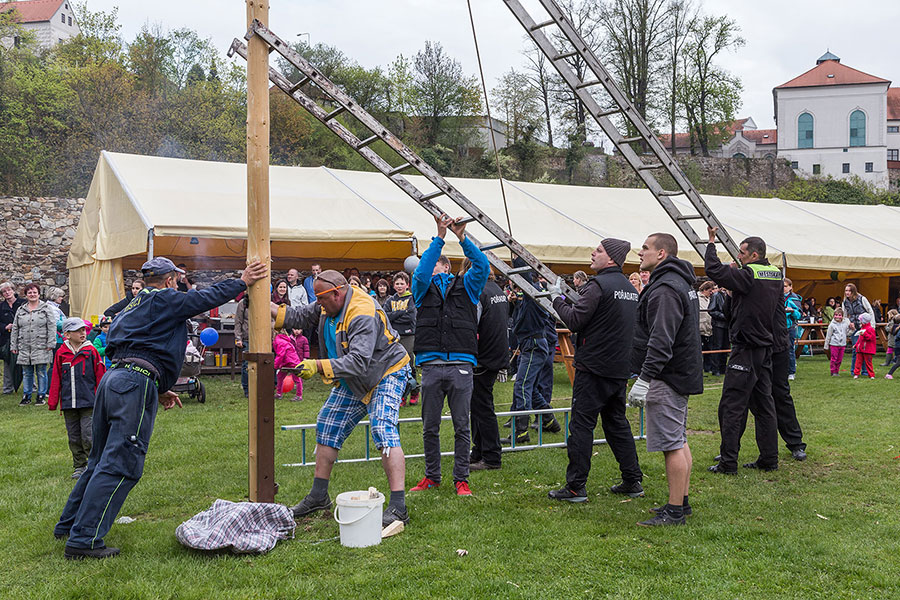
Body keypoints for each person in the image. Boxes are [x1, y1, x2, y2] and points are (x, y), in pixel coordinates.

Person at [54, 257, 266, 559]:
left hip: (114, 380)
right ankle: (84, 540)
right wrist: (241, 282)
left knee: (99, 459)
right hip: (132, 383)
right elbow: (201, 299)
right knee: (121, 463)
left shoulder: (132, 304)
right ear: (169, 280)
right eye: (177, 279)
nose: (179, 284)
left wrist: (155, 383)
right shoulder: (164, 298)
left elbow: (122, 344)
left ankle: (69, 525)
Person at [271, 270, 411, 527]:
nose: (319, 305)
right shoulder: (329, 303)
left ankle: (399, 507)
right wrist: (266, 305)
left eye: (321, 299)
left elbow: (358, 361)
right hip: (356, 377)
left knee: (382, 427)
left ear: (337, 292)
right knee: (327, 424)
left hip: (386, 371)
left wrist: (317, 365)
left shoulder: (361, 311)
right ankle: (318, 495)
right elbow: (301, 314)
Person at [546, 238, 643, 502]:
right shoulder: (629, 289)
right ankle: (632, 479)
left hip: (594, 367)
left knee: (581, 426)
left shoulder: (598, 285)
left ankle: (576, 486)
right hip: (619, 368)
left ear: (611, 258)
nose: (592, 253)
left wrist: (556, 299)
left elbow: (575, 320)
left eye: (598, 251)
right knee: (616, 425)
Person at [409, 213, 489, 497]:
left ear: (448, 267)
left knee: (461, 426)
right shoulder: (421, 288)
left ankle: (461, 479)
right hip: (431, 364)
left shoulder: (468, 286)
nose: (433, 269)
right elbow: (420, 272)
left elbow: (482, 264)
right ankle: (432, 476)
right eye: (432, 264)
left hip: (461, 365)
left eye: (439, 264)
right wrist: (439, 237)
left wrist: (462, 237)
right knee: (429, 426)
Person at [627, 233, 702, 526]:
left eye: (645, 248)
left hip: (668, 374)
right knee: (678, 439)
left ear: (661, 254)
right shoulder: (678, 281)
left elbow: (661, 338)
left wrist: (645, 378)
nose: (640, 252)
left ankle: (674, 512)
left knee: (671, 443)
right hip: (679, 371)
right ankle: (680, 502)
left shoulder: (665, 288)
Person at [704, 227, 782, 475]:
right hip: (764, 347)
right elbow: (746, 305)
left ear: (755, 255)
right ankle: (769, 458)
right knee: (763, 405)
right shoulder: (774, 274)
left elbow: (714, 271)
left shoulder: (749, 274)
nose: (739, 256)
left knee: (732, 405)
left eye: (742, 252)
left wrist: (711, 243)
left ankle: (728, 462)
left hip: (746, 348)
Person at [504, 257, 561, 444]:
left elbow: (525, 281)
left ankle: (521, 432)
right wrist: (514, 302)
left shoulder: (534, 292)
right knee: (531, 388)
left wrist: (518, 261)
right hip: (532, 345)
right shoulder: (527, 295)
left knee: (522, 386)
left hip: (534, 346)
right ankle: (549, 420)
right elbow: (521, 318)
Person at [48, 318, 106, 480]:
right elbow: (56, 377)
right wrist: (53, 402)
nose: (83, 333)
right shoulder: (61, 353)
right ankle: (79, 465)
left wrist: (103, 398)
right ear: (66, 334)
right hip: (69, 403)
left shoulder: (91, 351)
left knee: (88, 435)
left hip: (89, 402)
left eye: (84, 330)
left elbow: (100, 376)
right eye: (78, 331)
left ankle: (94, 465)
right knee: (74, 437)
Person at [469, 268, 509, 471]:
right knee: (478, 406)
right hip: (495, 354)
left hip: (483, 357)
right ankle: (479, 450)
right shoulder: (497, 290)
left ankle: (491, 456)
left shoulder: (479, 291)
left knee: (482, 407)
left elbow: (471, 324)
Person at [772, 279, 808, 461]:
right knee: (739, 399)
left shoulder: (791, 299)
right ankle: (729, 449)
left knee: (781, 396)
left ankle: (795, 443)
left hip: (779, 345)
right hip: (754, 347)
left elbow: (796, 315)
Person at [11, 282, 56, 406]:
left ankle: (41, 395)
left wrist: (51, 343)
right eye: (29, 292)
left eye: (34, 292)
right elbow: (15, 328)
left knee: (41, 371)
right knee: (26, 372)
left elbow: (51, 326)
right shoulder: (21, 310)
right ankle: (27, 395)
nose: (32, 294)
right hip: (24, 345)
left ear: (39, 294)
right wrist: (13, 345)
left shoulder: (46, 308)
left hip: (41, 345)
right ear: (26, 295)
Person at [384, 271, 419, 405]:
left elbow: (410, 317)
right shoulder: (390, 300)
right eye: (397, 283)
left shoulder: (411, 298)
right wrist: (401, 313)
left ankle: (415, 390)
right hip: (394, 336)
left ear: (407, 285)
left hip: (408, 335)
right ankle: (402, 394)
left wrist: (395, 315)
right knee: (397, 365)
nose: (399, 286)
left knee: (409, 363)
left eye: (402, 284)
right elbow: (386, 316)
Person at [843, 283, 876, 378]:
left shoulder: (862, 299)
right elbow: (845, 315)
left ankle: (865, 371)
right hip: (854, 328)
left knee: (866, 350)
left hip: (865, 327)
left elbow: (870, 311)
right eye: (846, 291)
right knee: (856, 349)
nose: (847, 293)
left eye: (849, 291)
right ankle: (854, 371)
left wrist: (872, 326)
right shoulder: (845, 301)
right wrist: (849, 323)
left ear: (853, 291)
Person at [0, 281, 25, 394]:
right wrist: (5, 326)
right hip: (7, 339)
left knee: (26, 363)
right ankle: (7, 388)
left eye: (9, 290)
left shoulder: (23, 303)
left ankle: (30, 388)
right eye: (4, 292)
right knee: (8, 363)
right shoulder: (1, 307)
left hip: (23, 337)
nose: (7, 293)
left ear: (13, 290)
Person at [273, 327, 304, 401]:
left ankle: (299, 396)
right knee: (280, 376)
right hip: (289, 362)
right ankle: (279, 393)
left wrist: (275, 365)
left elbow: (280, 355)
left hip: (291, 362)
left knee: (296, 378)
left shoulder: (279, 341)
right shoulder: (284, 340)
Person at [707, 286, 729, 376]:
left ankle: (723, 368)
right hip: (718, 325)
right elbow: (711, 310)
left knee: (726, 346)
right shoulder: (716, 296)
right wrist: (723, 316)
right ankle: (715, 369)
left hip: (727, 325)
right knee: (717, 346)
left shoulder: (728, 295)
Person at [783, 279, 802, 381]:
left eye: (785, 286)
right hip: (778, 327)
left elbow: (799, 315)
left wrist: (792, 311)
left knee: (789, 350)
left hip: (790, 327)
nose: (783, 288)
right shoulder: (776, 296)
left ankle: (791, 372)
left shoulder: (794, 298)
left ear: (790, 287)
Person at [824, 308, 849, 376]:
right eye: (836, 315)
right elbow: (828, 336)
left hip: (842, 344)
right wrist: (826, 345)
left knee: (839, 359)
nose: (837, 316)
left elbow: (847, 333)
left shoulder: (845, 324)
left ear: (842, 316)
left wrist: (852, 329)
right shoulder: (832, 325)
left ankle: (837, 371)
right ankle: (833, 371)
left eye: (839, 315)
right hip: (834, 344)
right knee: (834, 358)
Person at [234, 293, 250, 397]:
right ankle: (247, 389)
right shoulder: (243, 303)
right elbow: (238, 321)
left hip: (262, 338)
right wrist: (238, 338)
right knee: (246, 365)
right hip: (247, 337)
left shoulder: (266, 302)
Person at [853, 313, 877, 379]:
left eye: (861, 320)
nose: (860, 322)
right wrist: (856, 345)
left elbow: (871, 338)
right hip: (860, 349)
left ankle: (871, 375)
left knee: (868, 363)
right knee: (858, 362)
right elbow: (860, 339)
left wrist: (865, 334)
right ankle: (856, 373)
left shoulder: (870, 329)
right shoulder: (862, 328)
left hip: (867, 349)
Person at [698, 281, 715, 373]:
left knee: (709, 349)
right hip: (701, 327)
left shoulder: (710, 298)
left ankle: (708, 368)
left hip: (709, 328)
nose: (711, 292)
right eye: (709, 290)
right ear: (704, 290)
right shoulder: (697, 298)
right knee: (700, 349)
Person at [885, 314, 900, 379]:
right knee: (898, 362)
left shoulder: (897, 327)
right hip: (899, 347)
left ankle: (889, 374)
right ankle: (889, 374)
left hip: (898, 347)